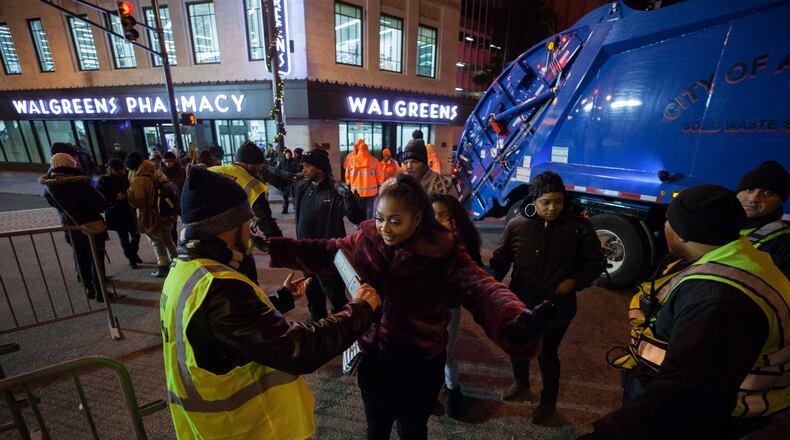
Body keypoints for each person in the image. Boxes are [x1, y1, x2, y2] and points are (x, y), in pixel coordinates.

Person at [266, 173, 551, 440]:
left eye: (394, 221)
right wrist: (276, 247)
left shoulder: (443, 251)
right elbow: (328, 251)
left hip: (419, 367)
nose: (384, 228)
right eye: (380, 218)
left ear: (417, 218)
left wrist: (512, 318)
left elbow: (482, 288)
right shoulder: (366, 239)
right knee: (375, 429)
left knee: (412, 431)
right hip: (374, 362)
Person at [161, 166, 382, 439]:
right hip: (246, 428)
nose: (251, 229)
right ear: (227, 226)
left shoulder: (186, 270)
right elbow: (299, 349)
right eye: (247, 221)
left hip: (212, 424)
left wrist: (281, 299)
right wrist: (359, 310)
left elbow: (224, 331)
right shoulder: (219, 287)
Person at [585, 185, 790, 439]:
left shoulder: (719, 299)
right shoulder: (733, 256)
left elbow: (686, 394)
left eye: (668, 220)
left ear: (682, 233)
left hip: (712, 416)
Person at [489, 170, 603, 424]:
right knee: (518, 345)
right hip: (520, 301)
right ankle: (520, 383)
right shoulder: (517, 225)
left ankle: (548, 402)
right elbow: (500, 261)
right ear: (534, 201)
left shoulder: (578, 228)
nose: (553, 208)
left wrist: (573, 282)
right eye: (546, 202)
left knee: (547, 353)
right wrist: (486, 285)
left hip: (557, 305)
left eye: (558, 202)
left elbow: (595, 263)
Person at [294, 148, 365, 322]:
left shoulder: (336, 191)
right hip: (306, 254)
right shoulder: (303, 187)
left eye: (307, 166)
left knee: (336, 298)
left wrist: (353, 204)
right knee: (313, 295)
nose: (303, 170)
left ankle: (342, 331)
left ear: (320, 168)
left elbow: (356, 218)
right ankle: (317, 325)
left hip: (328, 257)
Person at [431, 193, 483, 418]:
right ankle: (430, 394)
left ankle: (453, 392)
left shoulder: (464, 241)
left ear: (455, 217)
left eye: (444, 215)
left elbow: (475, 272)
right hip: (423, 306)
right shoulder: (421, 238)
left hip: (450, 306)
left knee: (447, 353)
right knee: (428, 353)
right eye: (433, 215)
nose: (438, 220)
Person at [209, 141, 283, 282]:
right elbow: (265, 220)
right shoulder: (253, 185)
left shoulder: (213, 171)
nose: (261, 168)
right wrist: (280, 245)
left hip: (208, 241)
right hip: (237, 245)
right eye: (259, 164)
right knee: (248, 286)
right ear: (250, 163)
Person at [41, 153, 109, 302]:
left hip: (70, 227)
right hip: (91, 227)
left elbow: (54, 205)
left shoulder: (49, 187)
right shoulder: (80, 183)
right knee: (96, 260)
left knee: (81, 258)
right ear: (71, 164)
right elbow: (100, 203)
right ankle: (100, 292)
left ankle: (88, 289)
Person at [736, 160, 790, 278]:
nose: (753, 198)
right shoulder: (716, 221)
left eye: (767, 193)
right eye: (749, 190)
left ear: (780, 201)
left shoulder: (783, 242)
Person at [128, 160, 178, 277]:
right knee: (167, 238)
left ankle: (163, 265)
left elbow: (137, 201)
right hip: (166, 214)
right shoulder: (158, 174)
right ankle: (176, 261)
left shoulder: (140, 180)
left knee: (156, 241)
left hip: (151, 216)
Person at [97, 159, 141, 269]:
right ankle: (131, 258)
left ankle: (132, 253)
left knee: (136, 234)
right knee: (124, 237)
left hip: (128, 210)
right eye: (117, 170)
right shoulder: (104, 180)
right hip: (115, 212)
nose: (120, 172)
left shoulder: (126, 177)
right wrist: (115, 197)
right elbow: (100, 197)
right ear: (111, 170)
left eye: (121, 169)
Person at [348, 140, 384, 219]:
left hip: (357, 192)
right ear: (367, 150)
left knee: (359, 210)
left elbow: (347, 174)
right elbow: (380, 176)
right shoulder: (374, 161)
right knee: (370, 209)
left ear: (359, 149)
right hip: (371, 192)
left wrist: (349, 184)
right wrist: (380, 186)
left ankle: (359, 227)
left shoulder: (351, 160)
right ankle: (368, 226)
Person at [161, 151, 186, 243]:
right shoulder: (161, 173)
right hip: (169, 202)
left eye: (170, 161)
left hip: (182, 200)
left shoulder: (182, 171)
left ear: (175, 161)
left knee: (187, 224)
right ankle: (175, 247)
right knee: (172, 227)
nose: (168, 164)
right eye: (165, 161)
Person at [277, 148, 299, 214]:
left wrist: (291, 174)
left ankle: (296, 208)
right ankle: (285, 208)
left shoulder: (294, 161)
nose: (288, 155)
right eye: (287, 154)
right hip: (284, 181)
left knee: (294, 195)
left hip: (292, 180)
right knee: (285, 195)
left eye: (289, 154)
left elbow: (297, 170)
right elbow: (278, 170)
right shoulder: (282, 162)